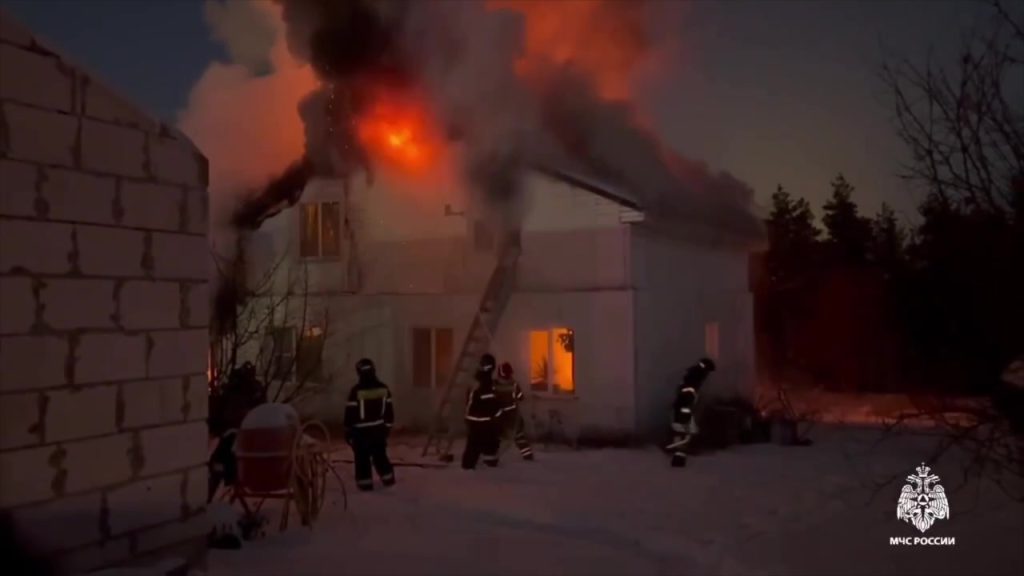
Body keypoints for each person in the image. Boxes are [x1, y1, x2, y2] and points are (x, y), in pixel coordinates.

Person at [207, 361, 266, 503]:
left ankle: (215, 488)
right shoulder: (239, 391)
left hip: (244, 438)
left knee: (222, 461)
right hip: (237, 436)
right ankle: (209, 496)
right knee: (220, 461)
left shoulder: (249, 391)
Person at [344, 358, 396, 491]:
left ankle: (365, 485)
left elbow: (350, 414)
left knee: (362, 460)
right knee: (380, 456)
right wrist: (387, 428)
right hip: (378, 431)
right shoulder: (383, 388)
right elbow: (389, 412)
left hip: (360, 433)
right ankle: (388, 480)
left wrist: (348, 431)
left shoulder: (356, 391)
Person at [666, 357, 717, 468]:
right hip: (684, 408)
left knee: (681, 432)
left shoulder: (692, 374)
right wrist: (688, 407)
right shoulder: (695, 377)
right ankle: (679, 458)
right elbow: (687, 394)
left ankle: (679, 456)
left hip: (683, 407)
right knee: (683, 432)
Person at [462, 354, 503, 469]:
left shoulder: (480, 380)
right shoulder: (484, 383)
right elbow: (490, 402)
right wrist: (499, 414)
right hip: (480, 421)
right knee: (478, 445)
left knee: (481, 444)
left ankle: (481, 463)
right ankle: (472, 467)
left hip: (478, 420)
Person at [494, 362, 535, 461]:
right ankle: (527, 454)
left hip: (499, 415)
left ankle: (492, 456)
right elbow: (520, 397)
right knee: (519, 435)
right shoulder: (514, 384)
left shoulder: (494, 384)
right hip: (513, 415)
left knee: (498, 436)